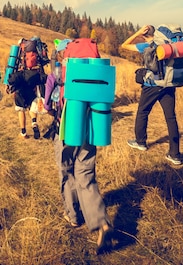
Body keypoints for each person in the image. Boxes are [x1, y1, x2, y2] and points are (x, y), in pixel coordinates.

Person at [43, 38, 113, 254]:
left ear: (64, 54)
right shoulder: (96, 71)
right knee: (86, 174)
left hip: (66, 129)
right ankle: (101, 222)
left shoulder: (57, 73)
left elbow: (47, 105)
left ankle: (73, 216)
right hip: (92, 128)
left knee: (66, 172)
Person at [120, 25, 183, 165]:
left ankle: (140, 142)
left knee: (143, 111)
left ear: (144, 34)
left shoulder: (147, 46)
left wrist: (137, 33)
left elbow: (124, 45)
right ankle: (175, 155)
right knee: (171, 118)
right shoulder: (168, 46)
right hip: (168, 84)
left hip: (152, 85)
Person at [6, 38, 46, 139]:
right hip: (33, 80)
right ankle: (34, 123)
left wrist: (8, 84)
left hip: (21, 81)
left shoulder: (19, 53)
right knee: (32, 105)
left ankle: (23, 132)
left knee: (21, 108)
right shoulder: (35, 51)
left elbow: (12, 68)